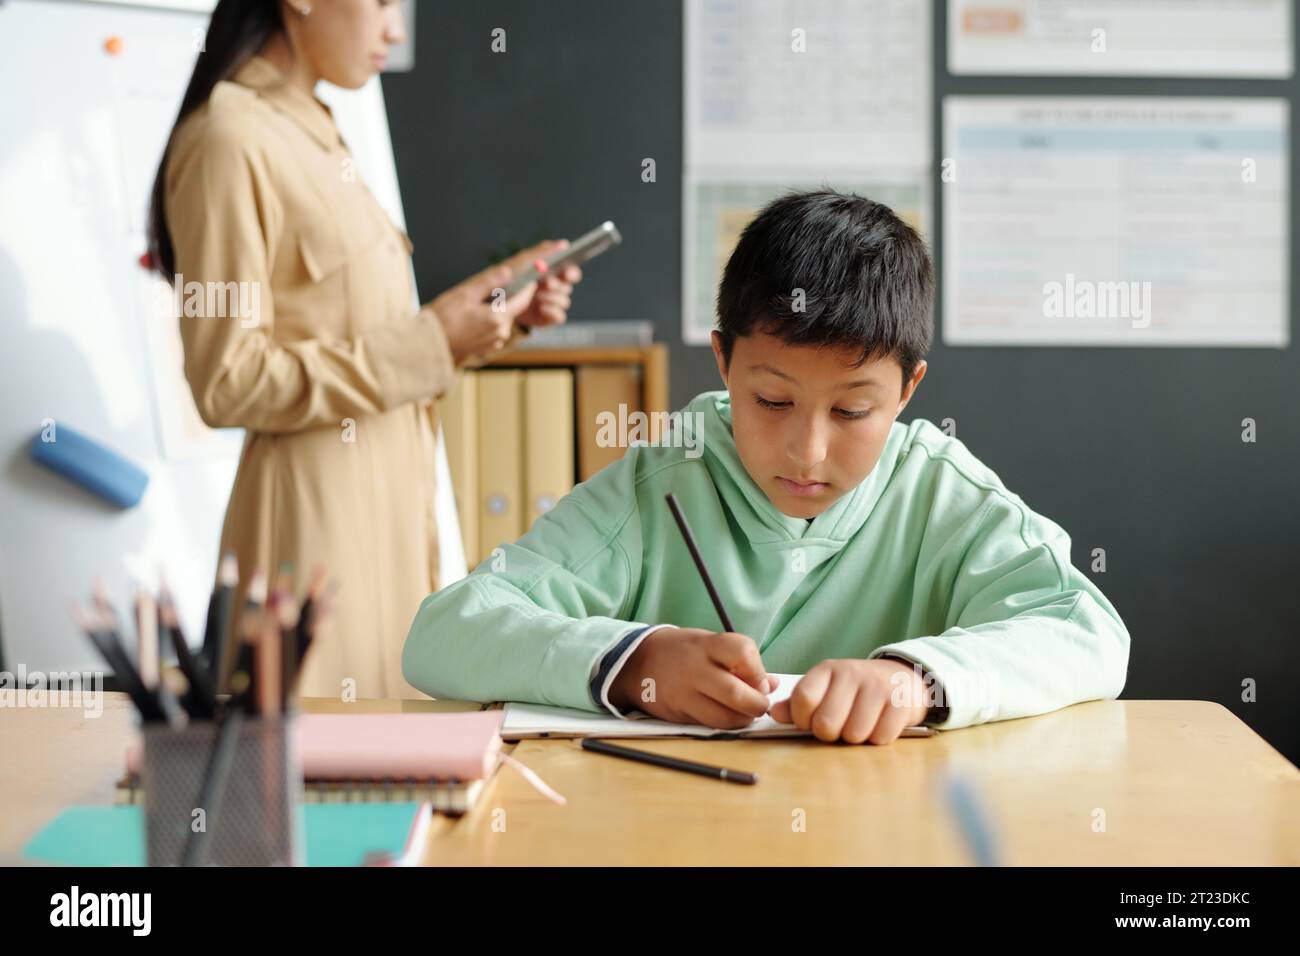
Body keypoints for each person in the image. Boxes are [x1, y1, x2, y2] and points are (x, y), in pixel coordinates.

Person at [401, 189, 1130, 744]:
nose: (806, 451)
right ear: (723, 361)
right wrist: (634, 661)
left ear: (909, 389)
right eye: (772, 399)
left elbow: (1089, 633)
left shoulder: (941, 493)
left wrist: (918, 682)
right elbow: (445, 632)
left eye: (851, 412)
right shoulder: (665, 479)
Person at [147, 0, 581, 697]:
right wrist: (434, 338)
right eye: (381, 2)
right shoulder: (229, 139)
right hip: (312, 533)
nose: (395, 29)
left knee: (398, 778)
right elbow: (225, 380)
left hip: (395, 523)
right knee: (319, 782)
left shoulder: (317, 133)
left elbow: (370, 343)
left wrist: (494, 315)